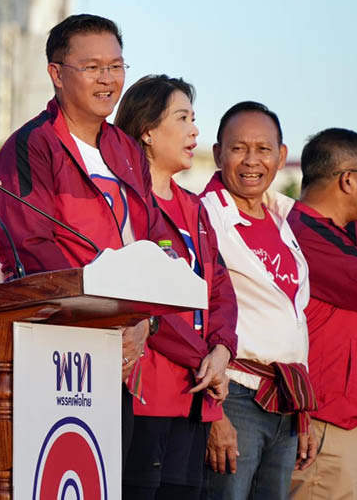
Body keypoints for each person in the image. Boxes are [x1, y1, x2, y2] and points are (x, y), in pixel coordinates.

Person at [0, 13, 166, 463]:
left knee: (108, 480)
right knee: (58, 474)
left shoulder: (127, 150)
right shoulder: (32, 145)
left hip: (120, 349)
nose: (108, 79)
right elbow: (30, 245)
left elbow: (147, 241)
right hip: (57, 347)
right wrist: (106, 313)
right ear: (56, 73)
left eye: (116, 65)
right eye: (92, 67)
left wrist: (144, 318)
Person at [114, 75, 238, 499]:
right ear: (147, 131)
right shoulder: (128, 203)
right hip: (146, 396)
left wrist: (222, 350)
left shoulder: (194, 208)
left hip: (195, 398)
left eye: (193, 118)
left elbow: (219, 288)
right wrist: (204, 357)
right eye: (182, 118)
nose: (194, 131)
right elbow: (145, 304)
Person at [200, 102, 317, 500]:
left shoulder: (285, 218)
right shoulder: (205, 217)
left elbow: (291, 321)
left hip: (285, 397)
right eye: (238, 148)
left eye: (263, 149)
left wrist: (303, 415)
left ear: (281, 156)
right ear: (218, 153)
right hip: (233, 394)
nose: (252, 161)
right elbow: (199, 314)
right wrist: (214, 416)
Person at [287, 128, 357, 499]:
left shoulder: (349, 230)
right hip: (325, 428)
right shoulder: (304, 235)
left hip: (350, 424)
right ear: (348, 180)